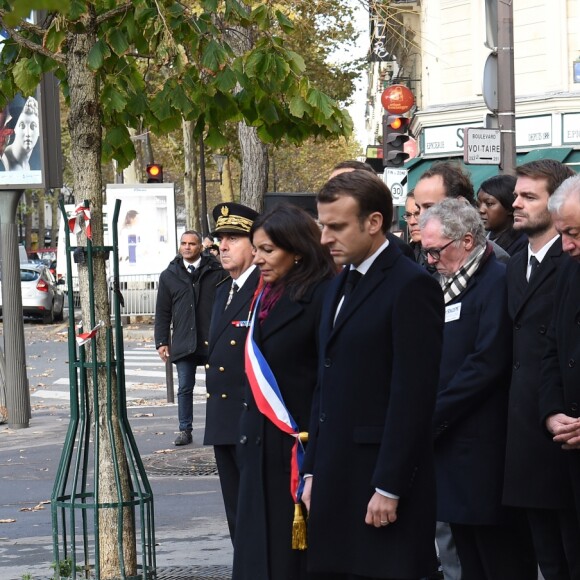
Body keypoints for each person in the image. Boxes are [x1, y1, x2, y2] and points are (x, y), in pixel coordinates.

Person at [302, 170, 445, 579]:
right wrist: (312, 470)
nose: (325, 238)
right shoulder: (335, 285)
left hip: (379, 485)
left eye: (336, 226)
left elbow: (413, 397)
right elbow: (324, 386)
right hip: (333, 477)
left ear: (374, 222)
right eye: (322, 225)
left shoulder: (410, 285)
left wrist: (390, 486)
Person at [419, 199, 536, 580]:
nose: (430, 259)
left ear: (467, 241)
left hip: (483, 449)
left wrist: (432, 412)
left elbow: (487, 362)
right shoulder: (441, 282)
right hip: (451, 446)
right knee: (467, 557)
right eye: (426, 250)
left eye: (436, 250)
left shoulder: (496, 279)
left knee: (497, 559)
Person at [233, 203, 336, 580]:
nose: (257, 258)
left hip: (296, 448)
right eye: (256, 249)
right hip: (258, 445)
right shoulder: (264, 295)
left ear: (297, 250)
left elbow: (327, 380)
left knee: (289, 561)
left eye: (267, 250)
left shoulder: (322, 295)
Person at [503, 160, 580, 580]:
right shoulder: (514, 263)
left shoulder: (567, 263)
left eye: (528, 196)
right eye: (517, 194)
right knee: (547, 557)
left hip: (564, 437)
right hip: (531, 428)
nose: (516, 203)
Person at [203, 202, 260, 543]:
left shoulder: (264, 288)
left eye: (233, 238)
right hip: (224, 418)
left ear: (255, 244)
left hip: (251, 417)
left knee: (255, 518)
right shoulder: (223, 289)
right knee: (237, 518)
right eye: (220, 238)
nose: (222, 245)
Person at [155, 230, 227, 446]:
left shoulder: (217, 272)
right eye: (184, 243)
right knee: (185, 387)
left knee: (216, 387)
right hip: (184, 341)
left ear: (200, 247)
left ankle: (219, 428)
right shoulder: (169, 275)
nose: (187, 247)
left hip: (212, 339)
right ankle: (184, 430)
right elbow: (162, 312)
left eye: (192, 244)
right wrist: (161, 341)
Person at [539, 174, 580, 543]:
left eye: (575, 234)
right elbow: (553, 346)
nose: (566, 246)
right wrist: (552, 412)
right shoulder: (569, 268)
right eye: (562, 233)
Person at [413, 161, 510, 266]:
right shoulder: (422, 254)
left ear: (459, 205)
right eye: (418, 208)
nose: (420, 217)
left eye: (430, 208)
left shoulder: (495, 258)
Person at [330, 160, 415, 260]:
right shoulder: (320, 249)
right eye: (330, 187)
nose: (331, 194)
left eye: (343, 186)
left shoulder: (399, 252)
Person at [477, 174, 527, 255]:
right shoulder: (478, 239)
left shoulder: (523, 244)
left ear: (510, 207)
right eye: (478, 204)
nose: (481, 210)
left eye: (489, 204)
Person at [1, 95, 40, 172]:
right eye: (22, 125)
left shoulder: (36, 162)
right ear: (16, 129)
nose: (28, 133)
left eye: (33, 126)